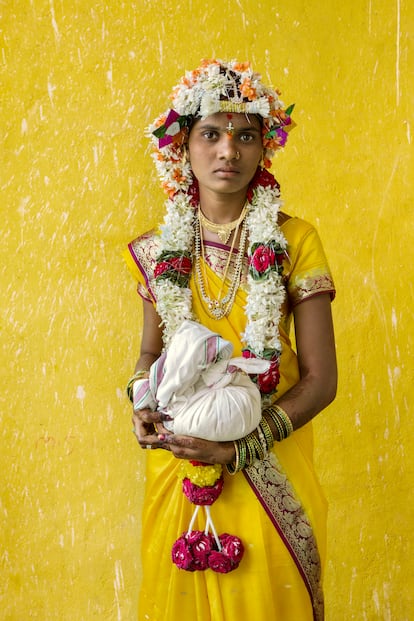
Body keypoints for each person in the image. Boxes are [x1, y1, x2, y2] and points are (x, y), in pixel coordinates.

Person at [124, 59, 337, 621]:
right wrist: (140, 400)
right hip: (181, 458)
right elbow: (151, 354)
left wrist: (239, 448)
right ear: (182, 146)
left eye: (245, 136)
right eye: (211, 134)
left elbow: (321, 379)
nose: (228, 151)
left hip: (269, 453)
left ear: (263, 148)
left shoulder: (294, 239)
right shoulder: (158, 250)